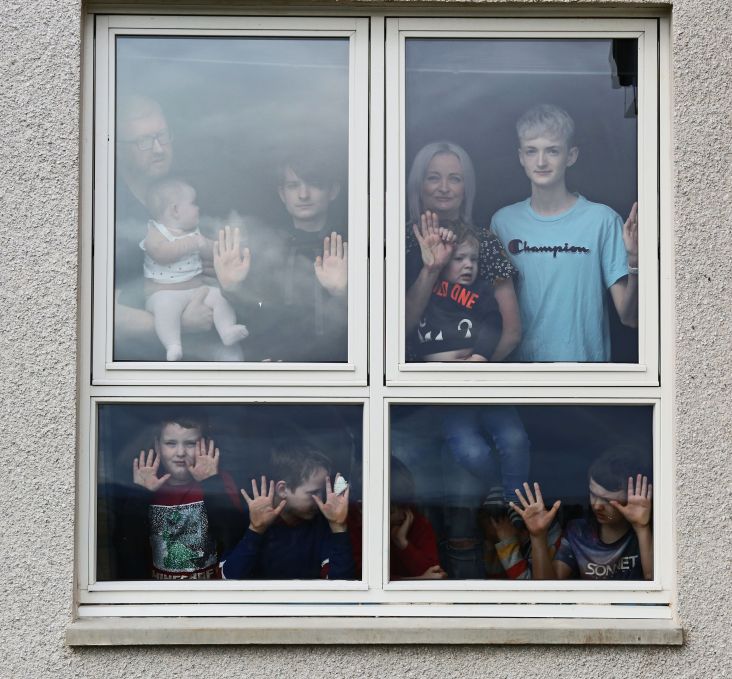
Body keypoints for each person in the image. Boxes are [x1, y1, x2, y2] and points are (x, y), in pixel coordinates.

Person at [490, 103, 639, 362]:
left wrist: (635, 264)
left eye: (552, 151)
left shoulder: (601, 220)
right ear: (520, 157)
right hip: (519, 381)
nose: (541, 161)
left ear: (571, 156)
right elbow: (490, 312)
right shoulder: (503, 223)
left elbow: (630, 318)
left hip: (584, 381)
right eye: (531, 151)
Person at [115, 94, 227, 360]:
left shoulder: (190, 196)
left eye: (162, 136)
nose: (158, 148)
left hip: (205, 368)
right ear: (117, 147)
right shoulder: (107, 209)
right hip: (131, 378)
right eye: (143, 141)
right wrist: (177, 323)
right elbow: (95, 312)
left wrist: (221, 271)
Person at [216, 143, 348, 362]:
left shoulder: (351, 247)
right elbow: (258, 313)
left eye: (314, 184)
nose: (303, 194)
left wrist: (342, 294)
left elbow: (378, 332)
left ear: (333, 190)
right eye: (293, 185)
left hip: (340, 379)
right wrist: (233, 289)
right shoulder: (265, 250)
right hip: (275, 376)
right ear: (282, 193)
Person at [405, 141, 521, 361]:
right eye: (433, 177)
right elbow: (395, 329)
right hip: (412, 384)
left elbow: (511, 332)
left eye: (455, 179)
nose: (444, 187)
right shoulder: (401, 242)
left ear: (466, 187)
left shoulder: (485, 242)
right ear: (419, 184)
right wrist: (430, 271)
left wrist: (472, 374)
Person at [116, 414, 243, 580]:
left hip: (210, 593)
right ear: (157, 446)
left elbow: (234, 538)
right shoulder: (143, 485)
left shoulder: (220, 481)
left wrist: (211, 483)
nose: (181, 453)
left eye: (190, 444)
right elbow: (126, 547)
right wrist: (141, 494)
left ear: (204, 445)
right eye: (171, 443)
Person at [141, 178, 248, 360]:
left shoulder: (193, 231)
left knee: (219, 297)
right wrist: (192, 243)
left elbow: (208, 250)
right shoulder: (156, 231)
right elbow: (160, 253)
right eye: (193, 203)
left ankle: (227, 330)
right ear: (175, 210)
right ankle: (173, 345)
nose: (198, 208)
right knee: (165, 310)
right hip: (165, 293)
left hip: (197, 289)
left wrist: (220, 249)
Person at [511, 447, 653, 580]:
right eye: (593, 494)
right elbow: (549, 589)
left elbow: (657, 585)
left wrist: (642, 528)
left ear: (632, 497)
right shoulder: (579, 532)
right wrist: (538, 536)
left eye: (608, 500)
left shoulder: (647, 534)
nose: (597, 505)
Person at [221, 443, 355, 580]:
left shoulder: (321, 523)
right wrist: (256, 530)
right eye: (313, 492)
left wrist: (338, 527)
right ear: (282, 490)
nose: (321, 500)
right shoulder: (247, 520)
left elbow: (341, 584)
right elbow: (228, 580)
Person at [412, 219, 502, 362]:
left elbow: (493, 322)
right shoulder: (428, 286)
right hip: (426, 373)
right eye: (459, 258)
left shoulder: (480, 290)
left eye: (474, 259)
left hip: (464, 370)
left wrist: (480, 357)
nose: (469, 265)